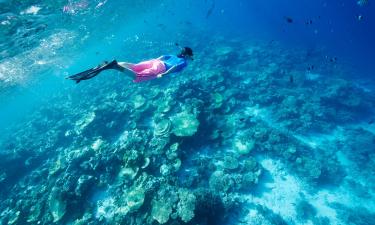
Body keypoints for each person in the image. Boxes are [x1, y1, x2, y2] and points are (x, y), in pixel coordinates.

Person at [66, 47, 193, 83]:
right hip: (161, 68)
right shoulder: (183, 62)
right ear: (187, 55)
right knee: (138, 76)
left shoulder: (173, 55)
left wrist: (156, 61)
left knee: (135, 66)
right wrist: (164, 74)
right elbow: (175, 67)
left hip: (155, 61)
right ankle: (116, 66)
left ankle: (114, 64)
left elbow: (162, 57)